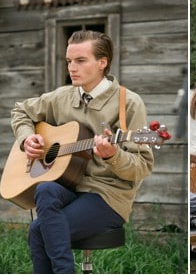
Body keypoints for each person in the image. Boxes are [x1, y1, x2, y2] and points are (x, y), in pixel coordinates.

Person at [11, 30, 155, 273]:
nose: (72, 68)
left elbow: (142, 167)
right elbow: (20, 111)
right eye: (69, 61)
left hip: (107, 195)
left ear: (102, 63)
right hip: (68, 187)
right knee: (45, 189)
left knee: (38, 231)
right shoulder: (61, 97)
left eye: (80, 60)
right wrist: (27, 138)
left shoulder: (128, 103)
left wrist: (113, 155)